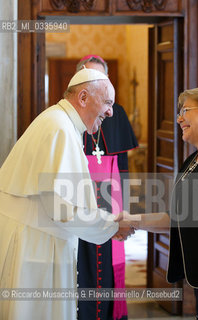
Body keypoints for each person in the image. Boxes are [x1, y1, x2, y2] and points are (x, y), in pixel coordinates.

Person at [0, 67, 133, 320]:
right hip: (36, 246)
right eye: (107, 102)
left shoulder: (60, 122)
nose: (111, 112)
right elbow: (63, 210)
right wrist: (112, 225)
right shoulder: (59, 128)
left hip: (39, 240)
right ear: (83, 98)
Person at [118, 87, 198, 320]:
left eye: (186, 110)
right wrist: (132, 220)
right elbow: (178, 217)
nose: (179, 118)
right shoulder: (192, 160)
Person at [76, 55, 138, 320]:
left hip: (110, 205)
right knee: (82, 267)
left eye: (102, 79)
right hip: (79, 205)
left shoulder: (117, 114)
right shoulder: (68, 118)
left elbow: (122, 168)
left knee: (110, 270)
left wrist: (124, 209)